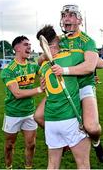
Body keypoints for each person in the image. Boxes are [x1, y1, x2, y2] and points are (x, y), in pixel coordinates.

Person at [57, 4, 103, 162]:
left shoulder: (87, 41)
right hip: (64, 87)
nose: (66, 18)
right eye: (64, 15)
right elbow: (41, 61)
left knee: (91, 127)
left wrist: (63, 70)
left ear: (79, 20)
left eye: (71, 15)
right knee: (38, 116)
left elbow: (88, 67)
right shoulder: (58, 41)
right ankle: (66, 141)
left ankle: (96, 142)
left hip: (84, 86)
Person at [37, 25, 91, 169]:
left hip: (51, 122)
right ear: (55, 41)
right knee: (83, 164)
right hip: (70, 120)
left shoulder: (42, 66)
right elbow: (96, 63)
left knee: (53, 165)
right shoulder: (71, 56)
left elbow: (40, 61)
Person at [0, 36, 44, 169]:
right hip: (13, 113)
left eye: (30, 45)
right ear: (17, 48)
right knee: (9, 146)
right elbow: (17, 93)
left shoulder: (32, 66)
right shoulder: (9, 69)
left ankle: (28, 167)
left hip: (29, 113)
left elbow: (46, 72)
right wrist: (39, 89)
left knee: (31, 145)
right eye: (26, 45)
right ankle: (9, 167)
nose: (29, 47)